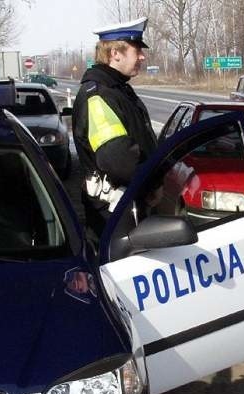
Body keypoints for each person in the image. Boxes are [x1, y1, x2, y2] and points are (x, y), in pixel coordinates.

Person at [71, 16, 158, 239]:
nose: (142, 56)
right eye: (136, 49)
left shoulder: (118, 90)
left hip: (128, 212)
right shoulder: (99, 96)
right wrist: (153, 184)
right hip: (115, 220)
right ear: (115, 53)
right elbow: (118, 160)